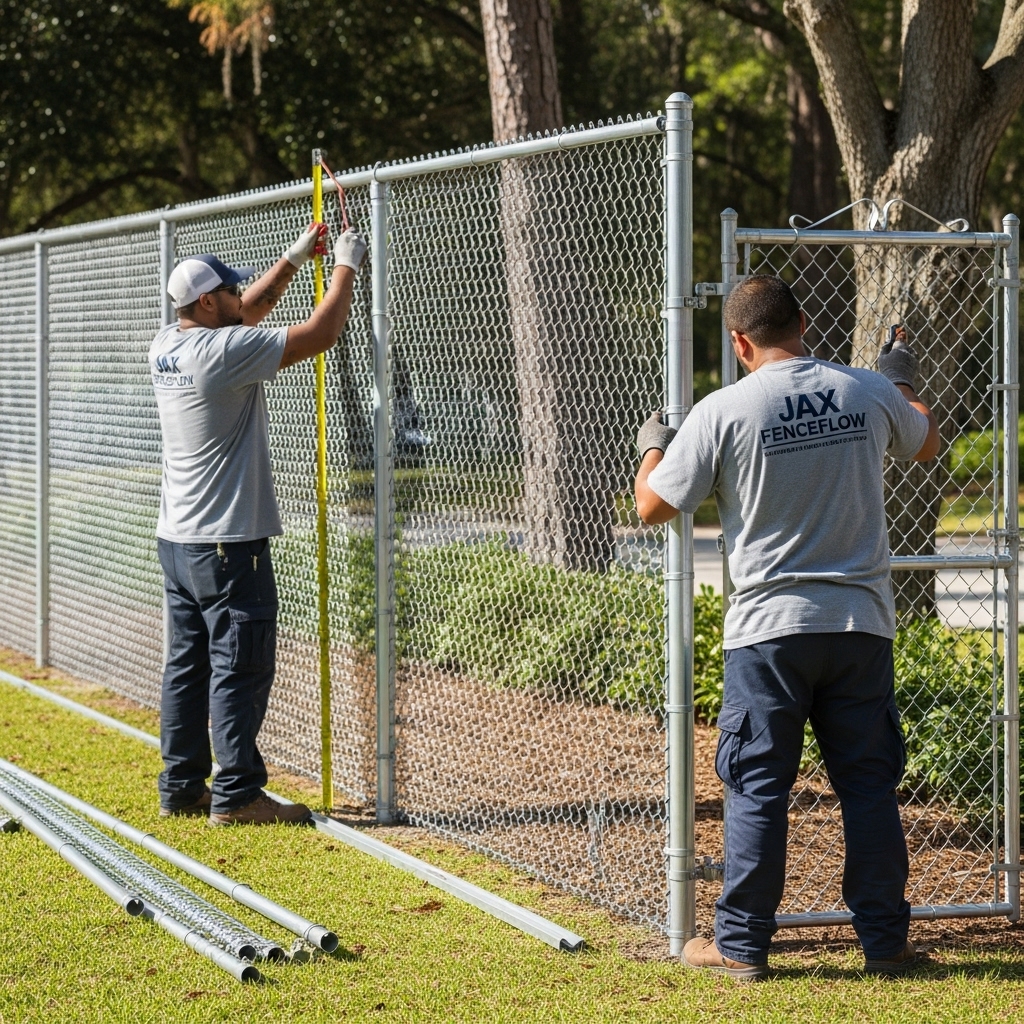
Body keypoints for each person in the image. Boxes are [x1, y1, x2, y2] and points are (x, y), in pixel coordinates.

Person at [634, 275, 940, 979]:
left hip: (768, 633)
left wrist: (654, 444)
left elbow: (653, 507)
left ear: (740, 341)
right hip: (860, 625)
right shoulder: (864, 391)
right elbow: (925, 444)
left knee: (759, 786)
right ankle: (886, 944)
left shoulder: (724, 409)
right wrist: (899, 378)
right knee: (867, 786)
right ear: (804, 323)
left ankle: (741, 947)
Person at [150, 222, 367, 826]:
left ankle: (181, 786)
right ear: (206, 302)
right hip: (227, 544)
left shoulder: (168, 342)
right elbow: (320, 333)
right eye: (228, 292)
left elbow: (248, 309)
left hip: (179, 540)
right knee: (240, 663)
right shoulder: (222, 353)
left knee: (188, 664)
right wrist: (347, 265)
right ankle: (239, 794)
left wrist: (295, 259)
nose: (238, 298)